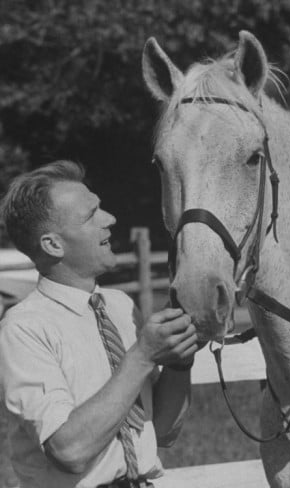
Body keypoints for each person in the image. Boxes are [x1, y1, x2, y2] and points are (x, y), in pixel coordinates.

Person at [0, 160, 198, 488]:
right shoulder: (23, 329)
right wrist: (143, 355)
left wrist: (181, 357)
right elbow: (69, 450)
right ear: (53, 245)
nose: (110, 219)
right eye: (91, 215)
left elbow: (161, 430)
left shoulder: (119, 306)